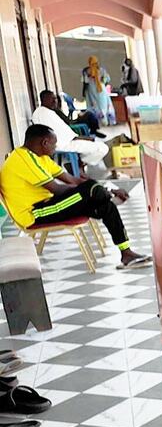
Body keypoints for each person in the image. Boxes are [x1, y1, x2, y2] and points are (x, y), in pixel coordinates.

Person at [1, 124, 152, 270]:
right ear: (44, 142)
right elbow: (58, 190)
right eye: (54, 144)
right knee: (91, 190)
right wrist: (95, 191)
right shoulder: (22, 159)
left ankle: (126, 254)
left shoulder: (41, 158)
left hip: (50, 204)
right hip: (35, 213)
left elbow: (73, 180)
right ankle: (105, 196)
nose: (55, 148)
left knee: (105, 205)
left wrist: (100, 190)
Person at [31, 90, 109, 168]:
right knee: (102, 148)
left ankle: (79, 163)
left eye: (56, 99)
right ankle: (80, 164)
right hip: (62, 143)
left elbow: (63, 129)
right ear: (44, 99)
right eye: (52, 99)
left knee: (98, 144)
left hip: (66, 140)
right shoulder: (44, 113)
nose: (55, 101)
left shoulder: (47, 112)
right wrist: (81, 138)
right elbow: (62, 135)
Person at [81, 56, 114, 125]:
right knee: (103, 106)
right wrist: (101, 82)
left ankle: (98, 123)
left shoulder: (86, 71)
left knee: (95, 106)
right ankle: (106, 121)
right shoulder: (101, 70)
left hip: (91, 91)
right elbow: (107, 79)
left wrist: (84, 92)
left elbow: (85, 82)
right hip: (101, 91)